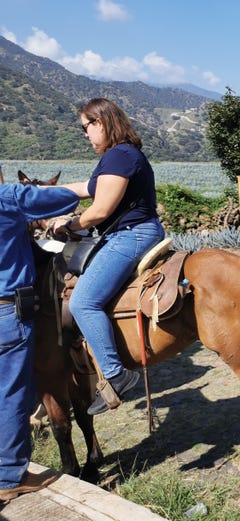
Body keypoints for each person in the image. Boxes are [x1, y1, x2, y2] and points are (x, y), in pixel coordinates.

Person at [52, 98, 165, 415]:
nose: (85, 134)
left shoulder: (119, 156)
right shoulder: (118, 157)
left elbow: (99, 211)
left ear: (101, 122)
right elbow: (83, 188)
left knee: (82, 301)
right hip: (136, 232)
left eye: (86, 127)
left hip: (132, 235)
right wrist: (39, 196)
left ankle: (117, 375)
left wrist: (68, 225)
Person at [0, 182, 81, 501]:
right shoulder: (7, 198)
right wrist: (101, 179)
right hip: (7, 310)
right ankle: (8, 476)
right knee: (13, 393)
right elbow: (58, 197)